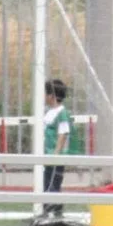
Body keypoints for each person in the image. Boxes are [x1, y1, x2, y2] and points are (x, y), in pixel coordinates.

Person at [37, 78, 74, 215]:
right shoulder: (49, 111)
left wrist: (56, 155)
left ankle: (55, 215)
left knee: (52, 187)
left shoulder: (61, 112)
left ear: (51, 96)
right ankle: (48, 214)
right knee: (46, 185)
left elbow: (63, 133)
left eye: (45, 93)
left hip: (54, 158)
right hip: (47, 156)